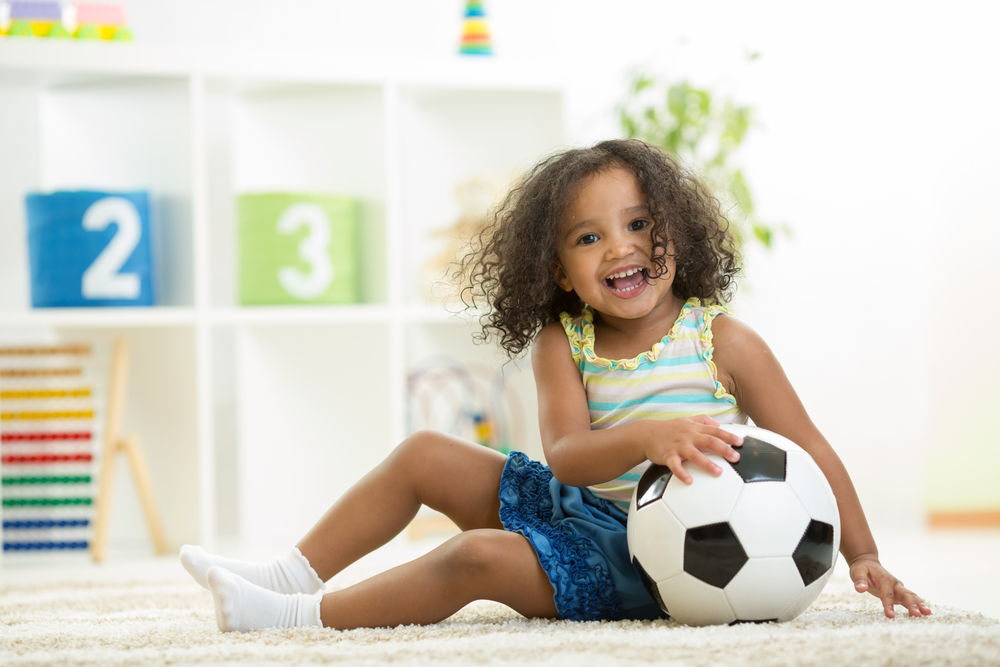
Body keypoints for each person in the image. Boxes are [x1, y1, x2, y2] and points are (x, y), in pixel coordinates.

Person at [181, 139, 931, 632]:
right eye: (588, 236)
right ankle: (284, 571)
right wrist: (646, 436)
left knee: (476, 556)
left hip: (659, 560)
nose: (621, 247)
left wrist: (861, 553)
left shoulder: (724, 341)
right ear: (555, 266)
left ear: (680, 232)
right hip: (583, 503)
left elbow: (809, 446)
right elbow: (568, 455)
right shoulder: (561, 341)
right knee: (424, 454)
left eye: (640, 223)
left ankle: (298, 617)